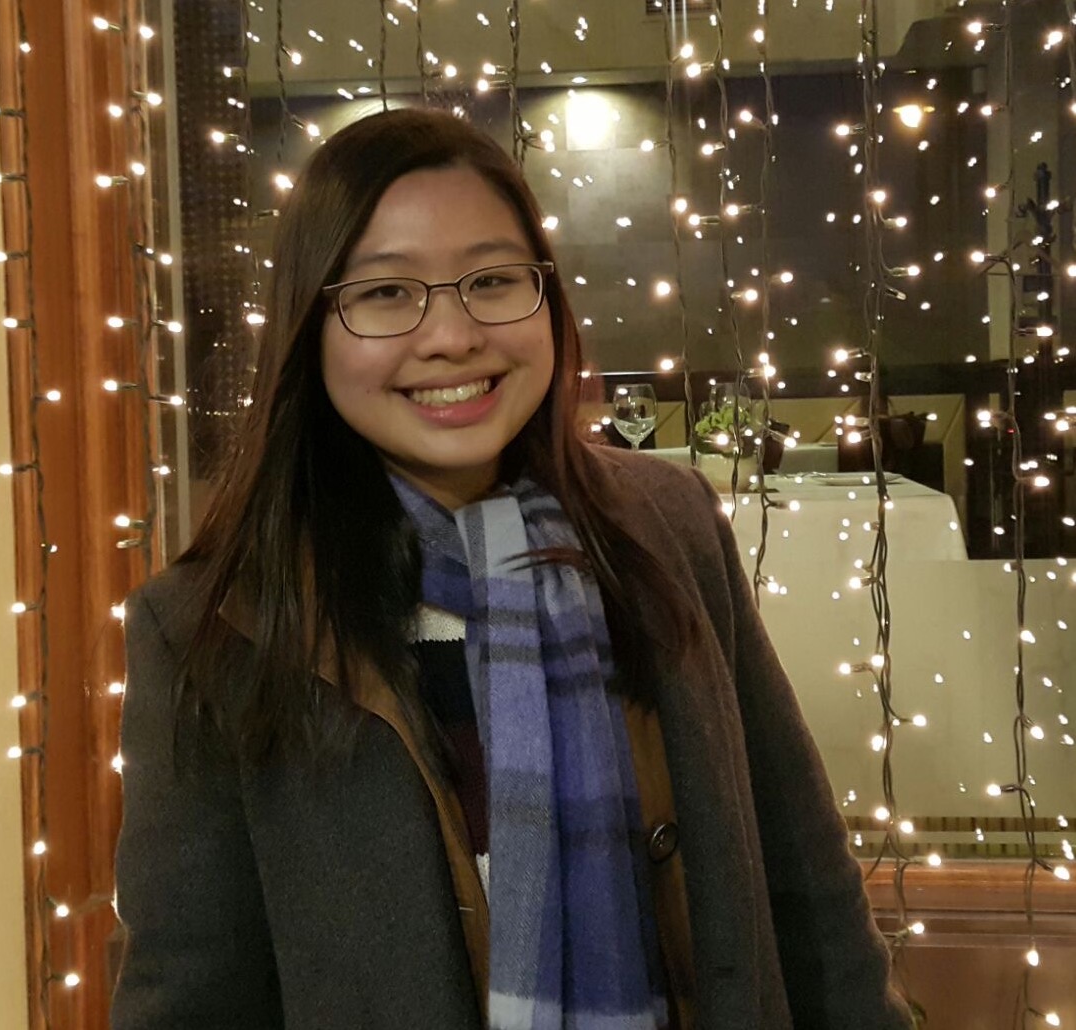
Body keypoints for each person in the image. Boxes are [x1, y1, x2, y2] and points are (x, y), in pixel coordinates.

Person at [111, 107, 913, 1030]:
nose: (452, 335)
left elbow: (806, 888)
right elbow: (189, 996)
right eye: (384, 294)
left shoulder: (666, 526)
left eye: (492, 280)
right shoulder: (217, 622)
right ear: (312, 327)